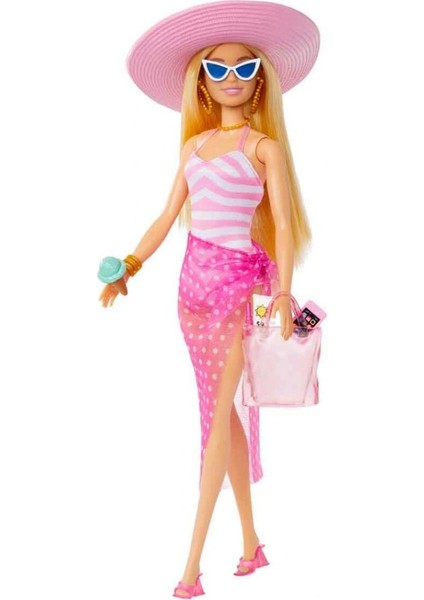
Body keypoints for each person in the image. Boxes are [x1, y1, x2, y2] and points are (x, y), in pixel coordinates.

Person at [98, 1, 320, 597]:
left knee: (214, 421)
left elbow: (281, 225)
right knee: (222, 413)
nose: (230, 78)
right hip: (190, 293)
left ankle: (192, 565)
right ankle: (251, 544)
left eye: (244, 68)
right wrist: (130, 266)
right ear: (200, 81)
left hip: (236, 292)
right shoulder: (193, 148)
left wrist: (282, 291)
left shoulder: (264, 147)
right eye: (217, 69)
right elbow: (167, 215)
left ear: (261, 79)